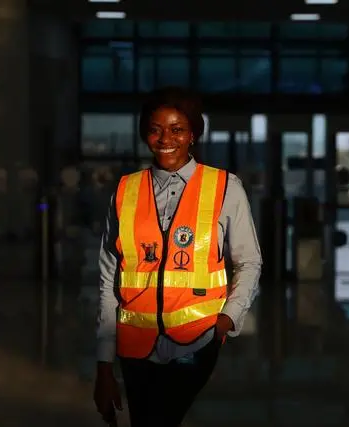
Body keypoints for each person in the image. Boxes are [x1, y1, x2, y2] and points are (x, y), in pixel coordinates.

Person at [93, 86, 262, 427]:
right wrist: (103, 365)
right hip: (134, 344)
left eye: (177, 129)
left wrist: (228, 318)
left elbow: (249, 261)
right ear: (145, 134)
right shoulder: (125, 191)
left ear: (193, 135)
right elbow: (109, 279)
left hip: (197, 341)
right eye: (156, 129)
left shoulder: (225, 187)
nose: (165, 138)